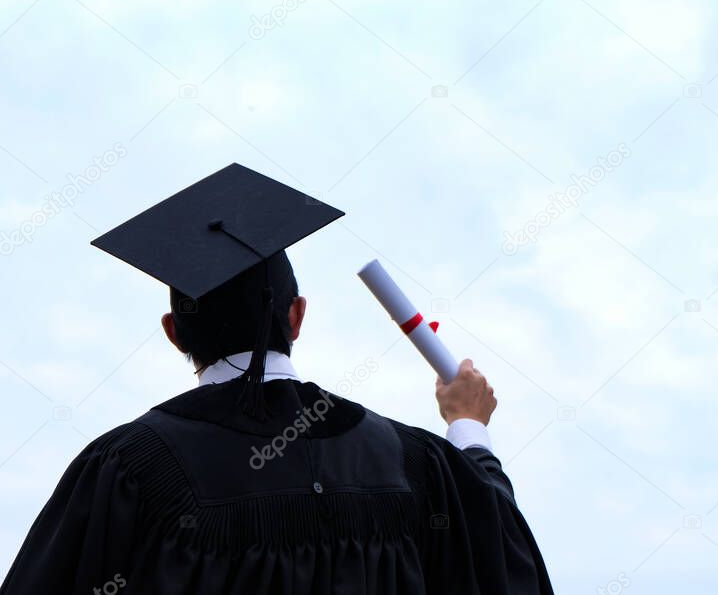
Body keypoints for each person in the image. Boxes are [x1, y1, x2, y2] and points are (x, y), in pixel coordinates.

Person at [0, 163, 554, 595]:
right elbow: (504, 560)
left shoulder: (127, 469)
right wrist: (468, 429)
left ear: (173, 332)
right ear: (296, 316)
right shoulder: (413, 463)